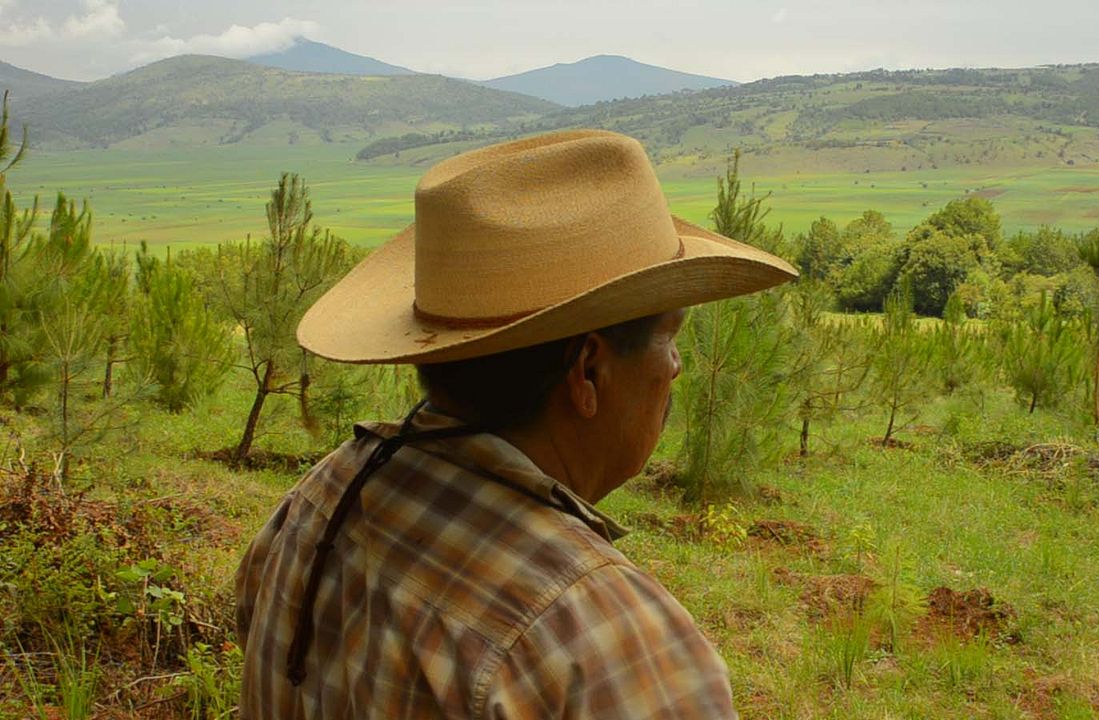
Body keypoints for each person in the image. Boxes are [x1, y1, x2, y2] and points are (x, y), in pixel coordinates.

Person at [235, 129, 796, 718]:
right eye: (670, 339)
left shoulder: (322, 497)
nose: (676, 368)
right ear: (589, 371)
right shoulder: (599, 640)